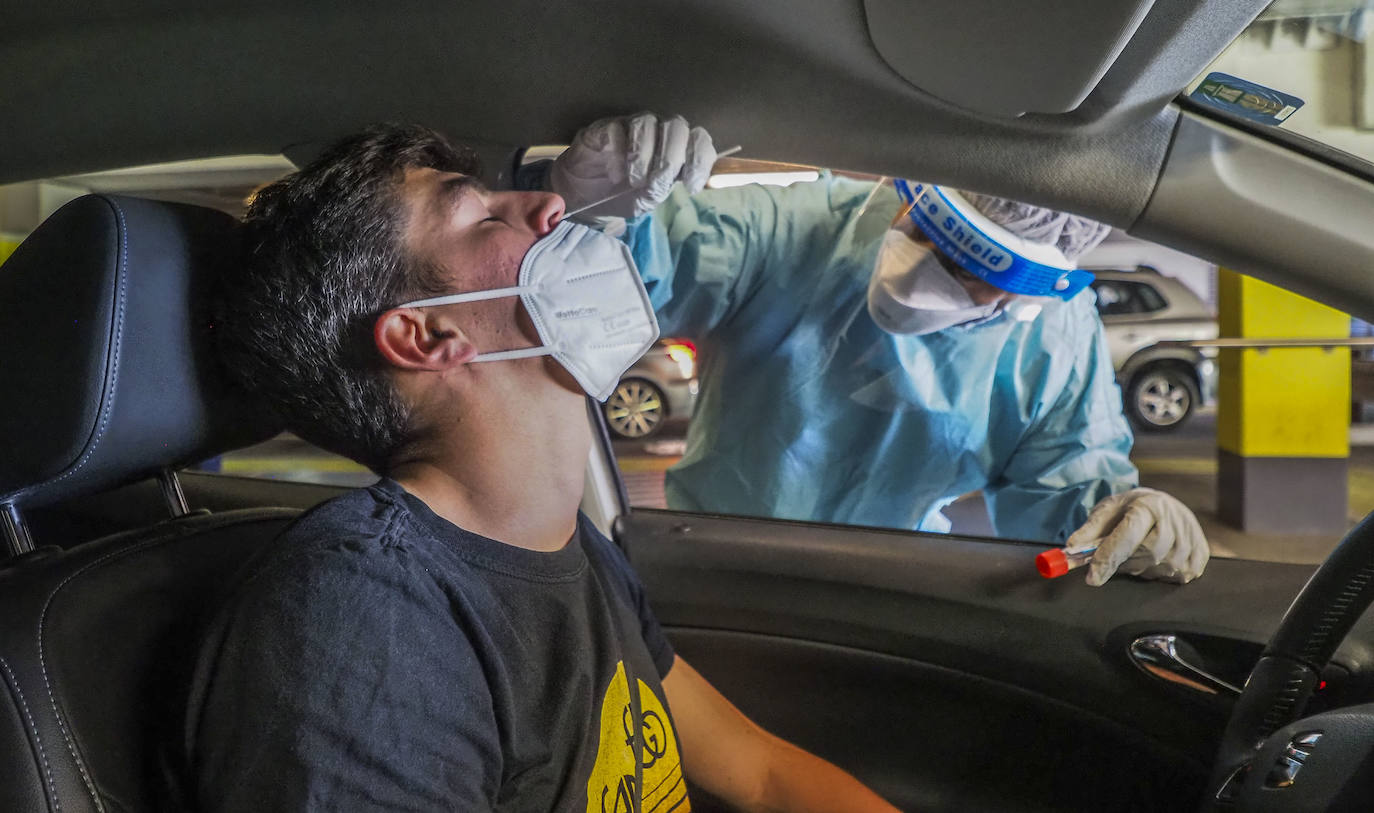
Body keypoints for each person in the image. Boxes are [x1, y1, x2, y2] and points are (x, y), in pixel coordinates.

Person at [188, 123, 899, 812]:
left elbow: (760, 771)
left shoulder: (570, 545)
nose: (551, 205)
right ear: (428, 334)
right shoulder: (362, 616)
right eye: (481, 211)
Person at [539, 113, 1209, 587]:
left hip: (891, 583)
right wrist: (599, 215)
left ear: (1024, 294)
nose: (922, 270)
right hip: (715, 569)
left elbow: (1066, 500)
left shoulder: (1053, 339)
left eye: (969, 274)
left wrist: (1127, 520)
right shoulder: (799, 229)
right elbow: (639, 276)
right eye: (924, 230)